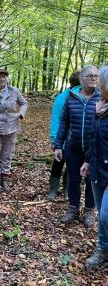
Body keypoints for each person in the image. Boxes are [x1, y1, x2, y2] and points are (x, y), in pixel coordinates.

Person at [54, 65, 99, 227]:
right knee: (73, 178)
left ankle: (89, 211)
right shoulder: (71, 97)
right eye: (90, 76)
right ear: (81, 79)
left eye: (96, 76)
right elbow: (64, 123)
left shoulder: (101, 98)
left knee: (91, 180)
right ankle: (73, 209)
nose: (94, 78)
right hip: (73, 148)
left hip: (93, 150)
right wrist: (58, 145)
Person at [81, 66, 108, 268]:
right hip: (97, 168)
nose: (98, 84)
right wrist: (87, 161)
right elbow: (94, 139)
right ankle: (103, 249)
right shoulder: (100, 107)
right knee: (101, 214)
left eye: (102, 82)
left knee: (106, 214)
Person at [48, 71, 80, 200]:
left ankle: (67, 190)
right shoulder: (62, 98)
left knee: (72, 166)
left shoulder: (86, 97)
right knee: (57, 164)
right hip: (62, 139)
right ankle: (53, 190)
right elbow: (55, 119)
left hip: (77, 140)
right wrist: (55, 140)